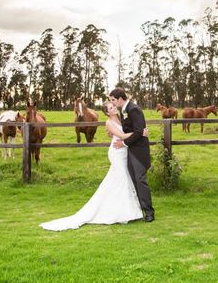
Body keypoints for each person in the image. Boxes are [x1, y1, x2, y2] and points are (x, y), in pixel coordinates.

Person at [39, 100, 147, 231]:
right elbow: (122, 135)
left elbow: (126, 129)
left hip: (125, 151)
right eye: (111, 108)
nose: (114, 108)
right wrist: (140, 132)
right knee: (121, 179)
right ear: (107, 113)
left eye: (113, 106)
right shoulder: (109, 122)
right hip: (117, 152)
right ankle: (121, 212)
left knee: (122, 180)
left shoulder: (120, 118)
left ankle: (128, 211)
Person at [109, 87, 155, 222]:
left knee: (140, 180)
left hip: (139, 151)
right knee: (134, 180)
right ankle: (139, 210)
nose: (112, 103)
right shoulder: (124, 111)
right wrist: (114, 131)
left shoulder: (133, 109)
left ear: (120, 99)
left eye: (113, 100)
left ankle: (149, 212)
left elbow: (138, 132)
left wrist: (123, 143)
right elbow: (134, 130)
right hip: (131, 150)